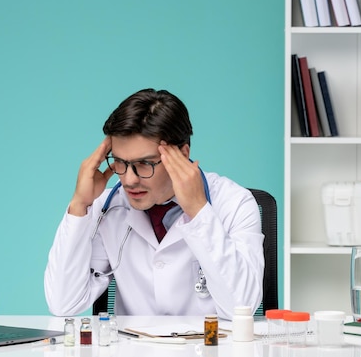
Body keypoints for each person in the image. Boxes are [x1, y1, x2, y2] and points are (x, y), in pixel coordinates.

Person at [44, 89, 264, 319]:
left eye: (145, 163)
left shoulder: (234, 203)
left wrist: (199, 213)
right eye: (119, 162)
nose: (129, 179)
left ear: (182, 153)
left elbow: (242, 308)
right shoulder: (107, 207)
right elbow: (63, 304)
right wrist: (79, 206)